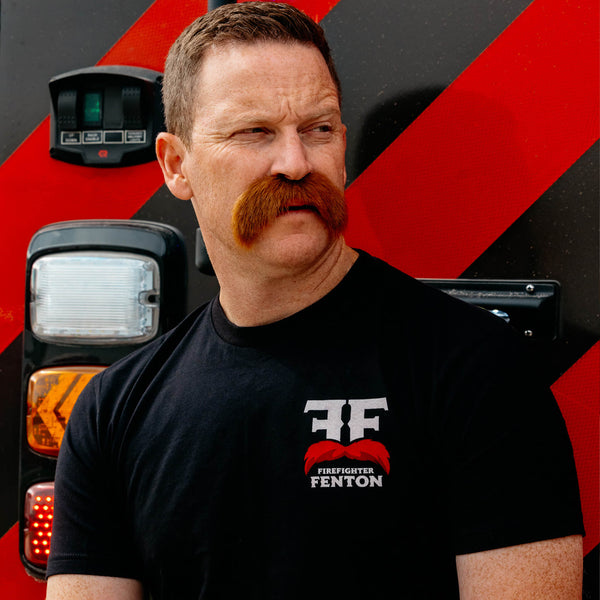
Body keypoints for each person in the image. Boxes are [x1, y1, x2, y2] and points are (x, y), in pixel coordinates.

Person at [46, 3, 584, 599]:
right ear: (176, 164)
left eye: (318, 129)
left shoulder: (474, 370)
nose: (296, 163)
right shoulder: (112, 413)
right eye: (255, 132)